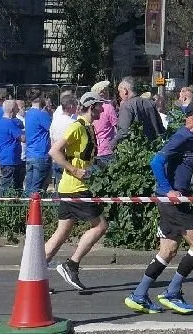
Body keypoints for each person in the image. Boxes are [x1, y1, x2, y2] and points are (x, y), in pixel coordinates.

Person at [125, 100, 193, 315]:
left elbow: (188, 167)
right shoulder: (182, 137)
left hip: (180, 199)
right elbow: (156, 162)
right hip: (172, 202)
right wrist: (169, 191)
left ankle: (139, 295)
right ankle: (172, 292)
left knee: (168, 250)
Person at [46, 91, 110, 292]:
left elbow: (85, 157)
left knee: (62, 232)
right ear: (91, 107)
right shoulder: (77, 127)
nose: (103, 109)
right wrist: (74, 170)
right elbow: (54, 151)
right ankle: (71, 264)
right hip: (76, 189)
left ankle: (34, 275)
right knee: (100, 226)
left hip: (71, 188)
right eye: (100, 106)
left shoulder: (88, 127)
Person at [0, 99, 24, 193]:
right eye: (17, 108)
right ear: (12, 110)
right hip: (10, 160)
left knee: (9, 184)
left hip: (7, 158)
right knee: (9, 186)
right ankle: (6, 204)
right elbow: (23, 138)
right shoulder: (9, 123)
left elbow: (20, 125)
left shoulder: (3, 121)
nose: (18, 110)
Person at [116, 77, 165, 144]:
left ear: (125, 91)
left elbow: (123, 132)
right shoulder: (150, 103)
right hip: (153, 147)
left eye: (119, 91)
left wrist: (111, 146)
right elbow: (160, 127)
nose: (119, 94)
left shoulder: (126, 106)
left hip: (136, 149)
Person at [24, 92, 53, 195]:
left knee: (29, 187)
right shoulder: (41, 114)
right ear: (40, 99)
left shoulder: (28, 113)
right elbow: (51, 129)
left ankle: (25, 208)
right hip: (41, 154)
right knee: (38, 189)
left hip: (30, 154)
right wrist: (48, 113)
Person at [92, 80, 118, 168]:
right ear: (103, 93)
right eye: (106, 90)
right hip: (107, 149)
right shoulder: (109, 108)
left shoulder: (91, 107)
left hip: (94, 149)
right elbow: (117, 126)